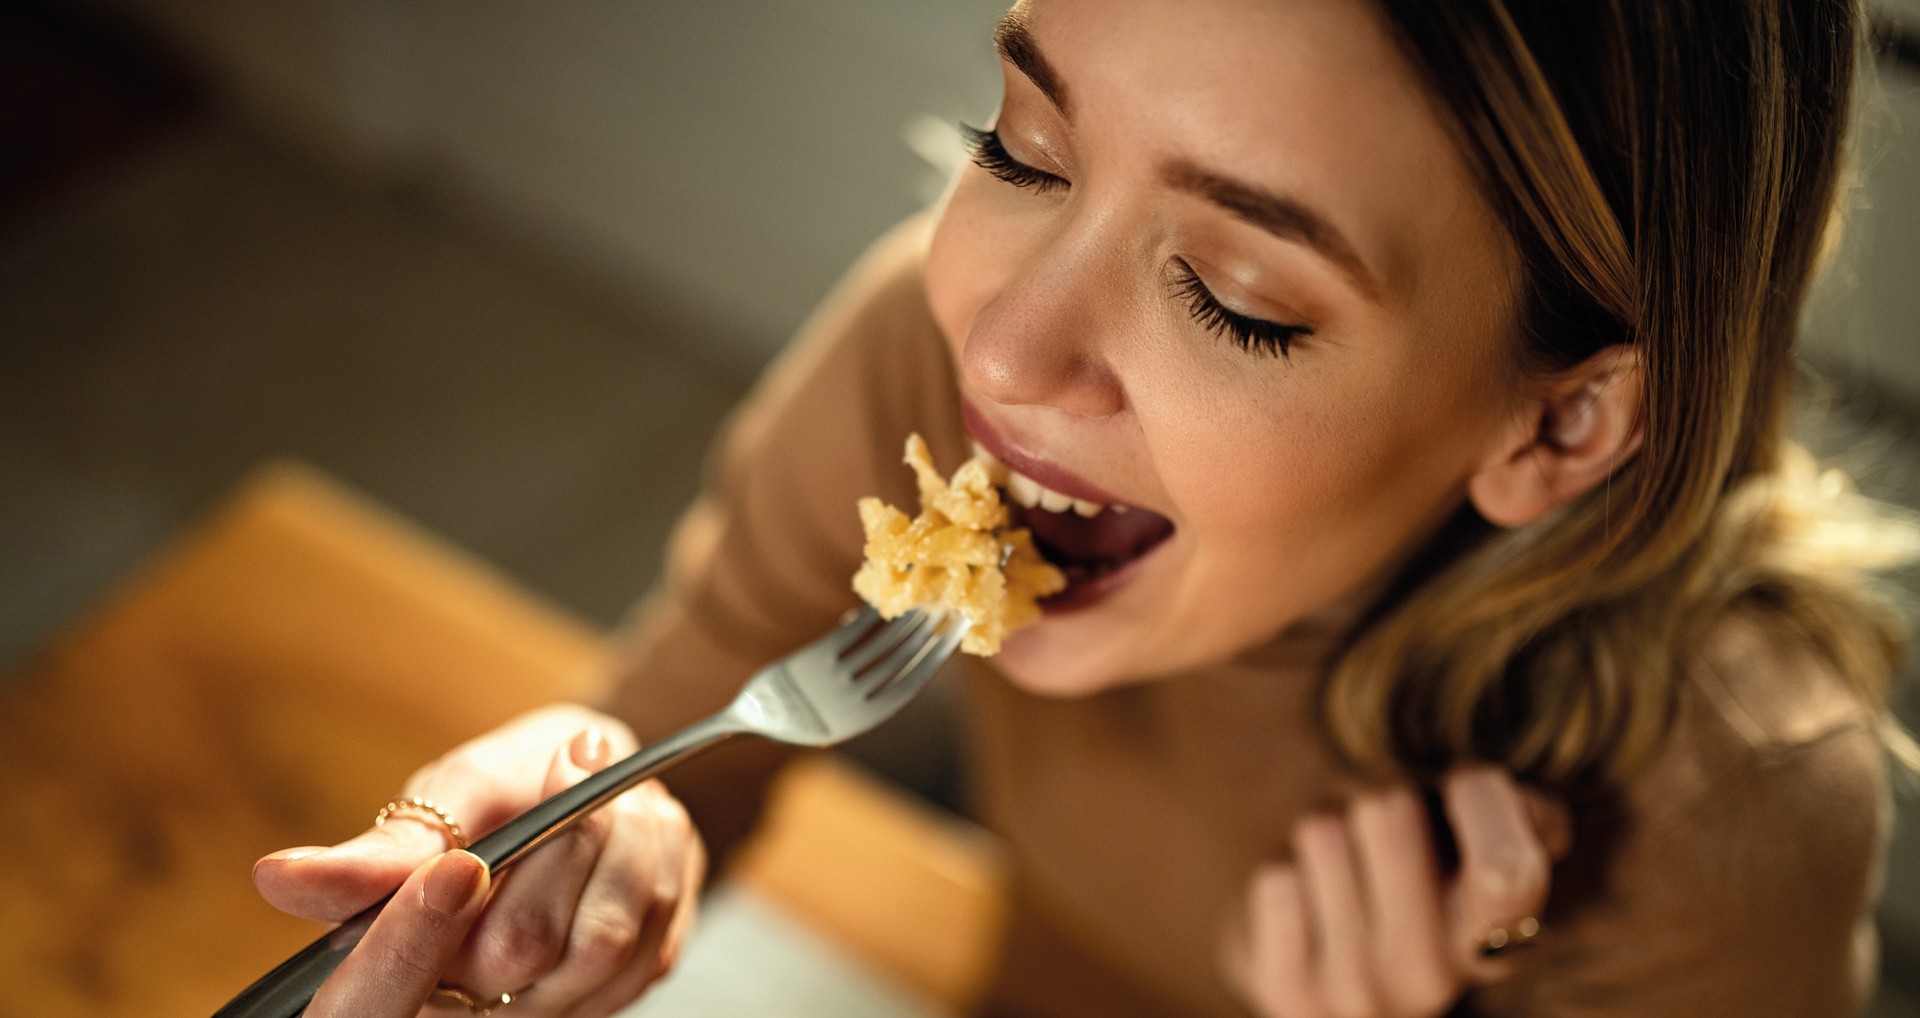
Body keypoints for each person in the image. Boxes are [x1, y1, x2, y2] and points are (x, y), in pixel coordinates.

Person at [252, 0, 1916, 1014]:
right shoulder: (925, 353)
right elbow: (691, 723)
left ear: (1560, 423)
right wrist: (585, 831)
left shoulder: (1733, 788)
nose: (1005, 340)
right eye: (1026, 145)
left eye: (1240, 296)